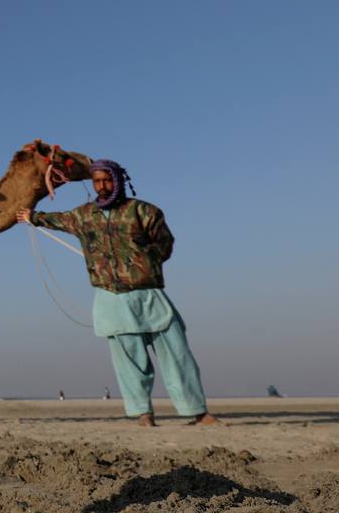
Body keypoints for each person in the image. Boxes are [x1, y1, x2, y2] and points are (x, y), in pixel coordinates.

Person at [19, 159, 219, 428]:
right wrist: (31, 216)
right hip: (110, 297)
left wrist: (141, 261)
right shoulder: (83, 216)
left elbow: (165, 245)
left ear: (118, 180)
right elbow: (55, 220)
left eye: (107, 180)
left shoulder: (145, 212)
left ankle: (196, 411)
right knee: (129, 361)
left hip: (148, 293)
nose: (102, 186)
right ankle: (142, 413)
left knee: (177, 353)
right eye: (97, 181)